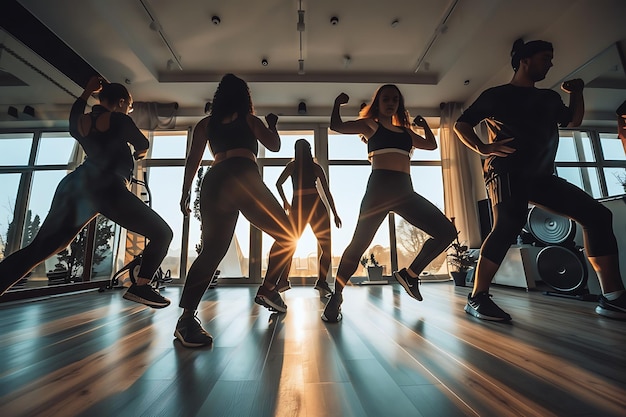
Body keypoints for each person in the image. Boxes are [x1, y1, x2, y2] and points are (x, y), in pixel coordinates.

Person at [454, 38, 626, 322]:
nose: (550, 63)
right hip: (506, 170)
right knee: (510, 221)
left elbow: (572, 121)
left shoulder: (549, 98)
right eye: (545, 57)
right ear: (525, 60)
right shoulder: (497, 95)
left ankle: (613, 297)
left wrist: (578, 93)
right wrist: (483, 148)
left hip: (541, 175)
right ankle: (477, 297)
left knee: (597, 216)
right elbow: (462, 124)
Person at [0, 76, 173, 308]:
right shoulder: (119, 120)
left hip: (77, 185)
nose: (129, 111)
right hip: (107, 186)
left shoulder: (81, 120)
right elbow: (143, 143)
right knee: (162, 234)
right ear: (121, 102)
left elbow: (75, 115)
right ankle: (140, 287)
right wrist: (137, 154)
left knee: (39, 249)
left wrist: (86, 91)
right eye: (129, 106)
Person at [176, 73, 297, 347]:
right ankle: (268, 289)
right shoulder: (250, 120)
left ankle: (186, 320)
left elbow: (193, 160)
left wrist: (184, 192)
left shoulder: (205, 124)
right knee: (289, 235)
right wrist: (272, 124)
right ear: (245, 98)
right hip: (244, 177)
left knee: (211, 252)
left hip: (216, 180)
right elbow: (275, 146)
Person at [322, 86, 457, 322]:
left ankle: (410, 274)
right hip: (379, 190)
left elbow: (431, 145)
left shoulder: (405, 132)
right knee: (357, 246)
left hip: (405, 191)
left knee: (447, 232)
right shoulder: (371, 125)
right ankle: (337, 297)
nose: (391, 102)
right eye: (386, 98)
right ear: (378, 102)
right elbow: (337, 126)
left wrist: (424, 125)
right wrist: (336, 103)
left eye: (396, 99)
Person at [273, 138, 342, 298]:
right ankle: (318, 281)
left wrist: (286, 202)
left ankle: (287, 280)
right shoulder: (312, 166)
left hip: (303, 207)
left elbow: (278, 184)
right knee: (320, 247)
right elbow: (326, 192)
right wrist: (334, 213)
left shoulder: (294, 166)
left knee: (291, 245)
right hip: (312, 207)